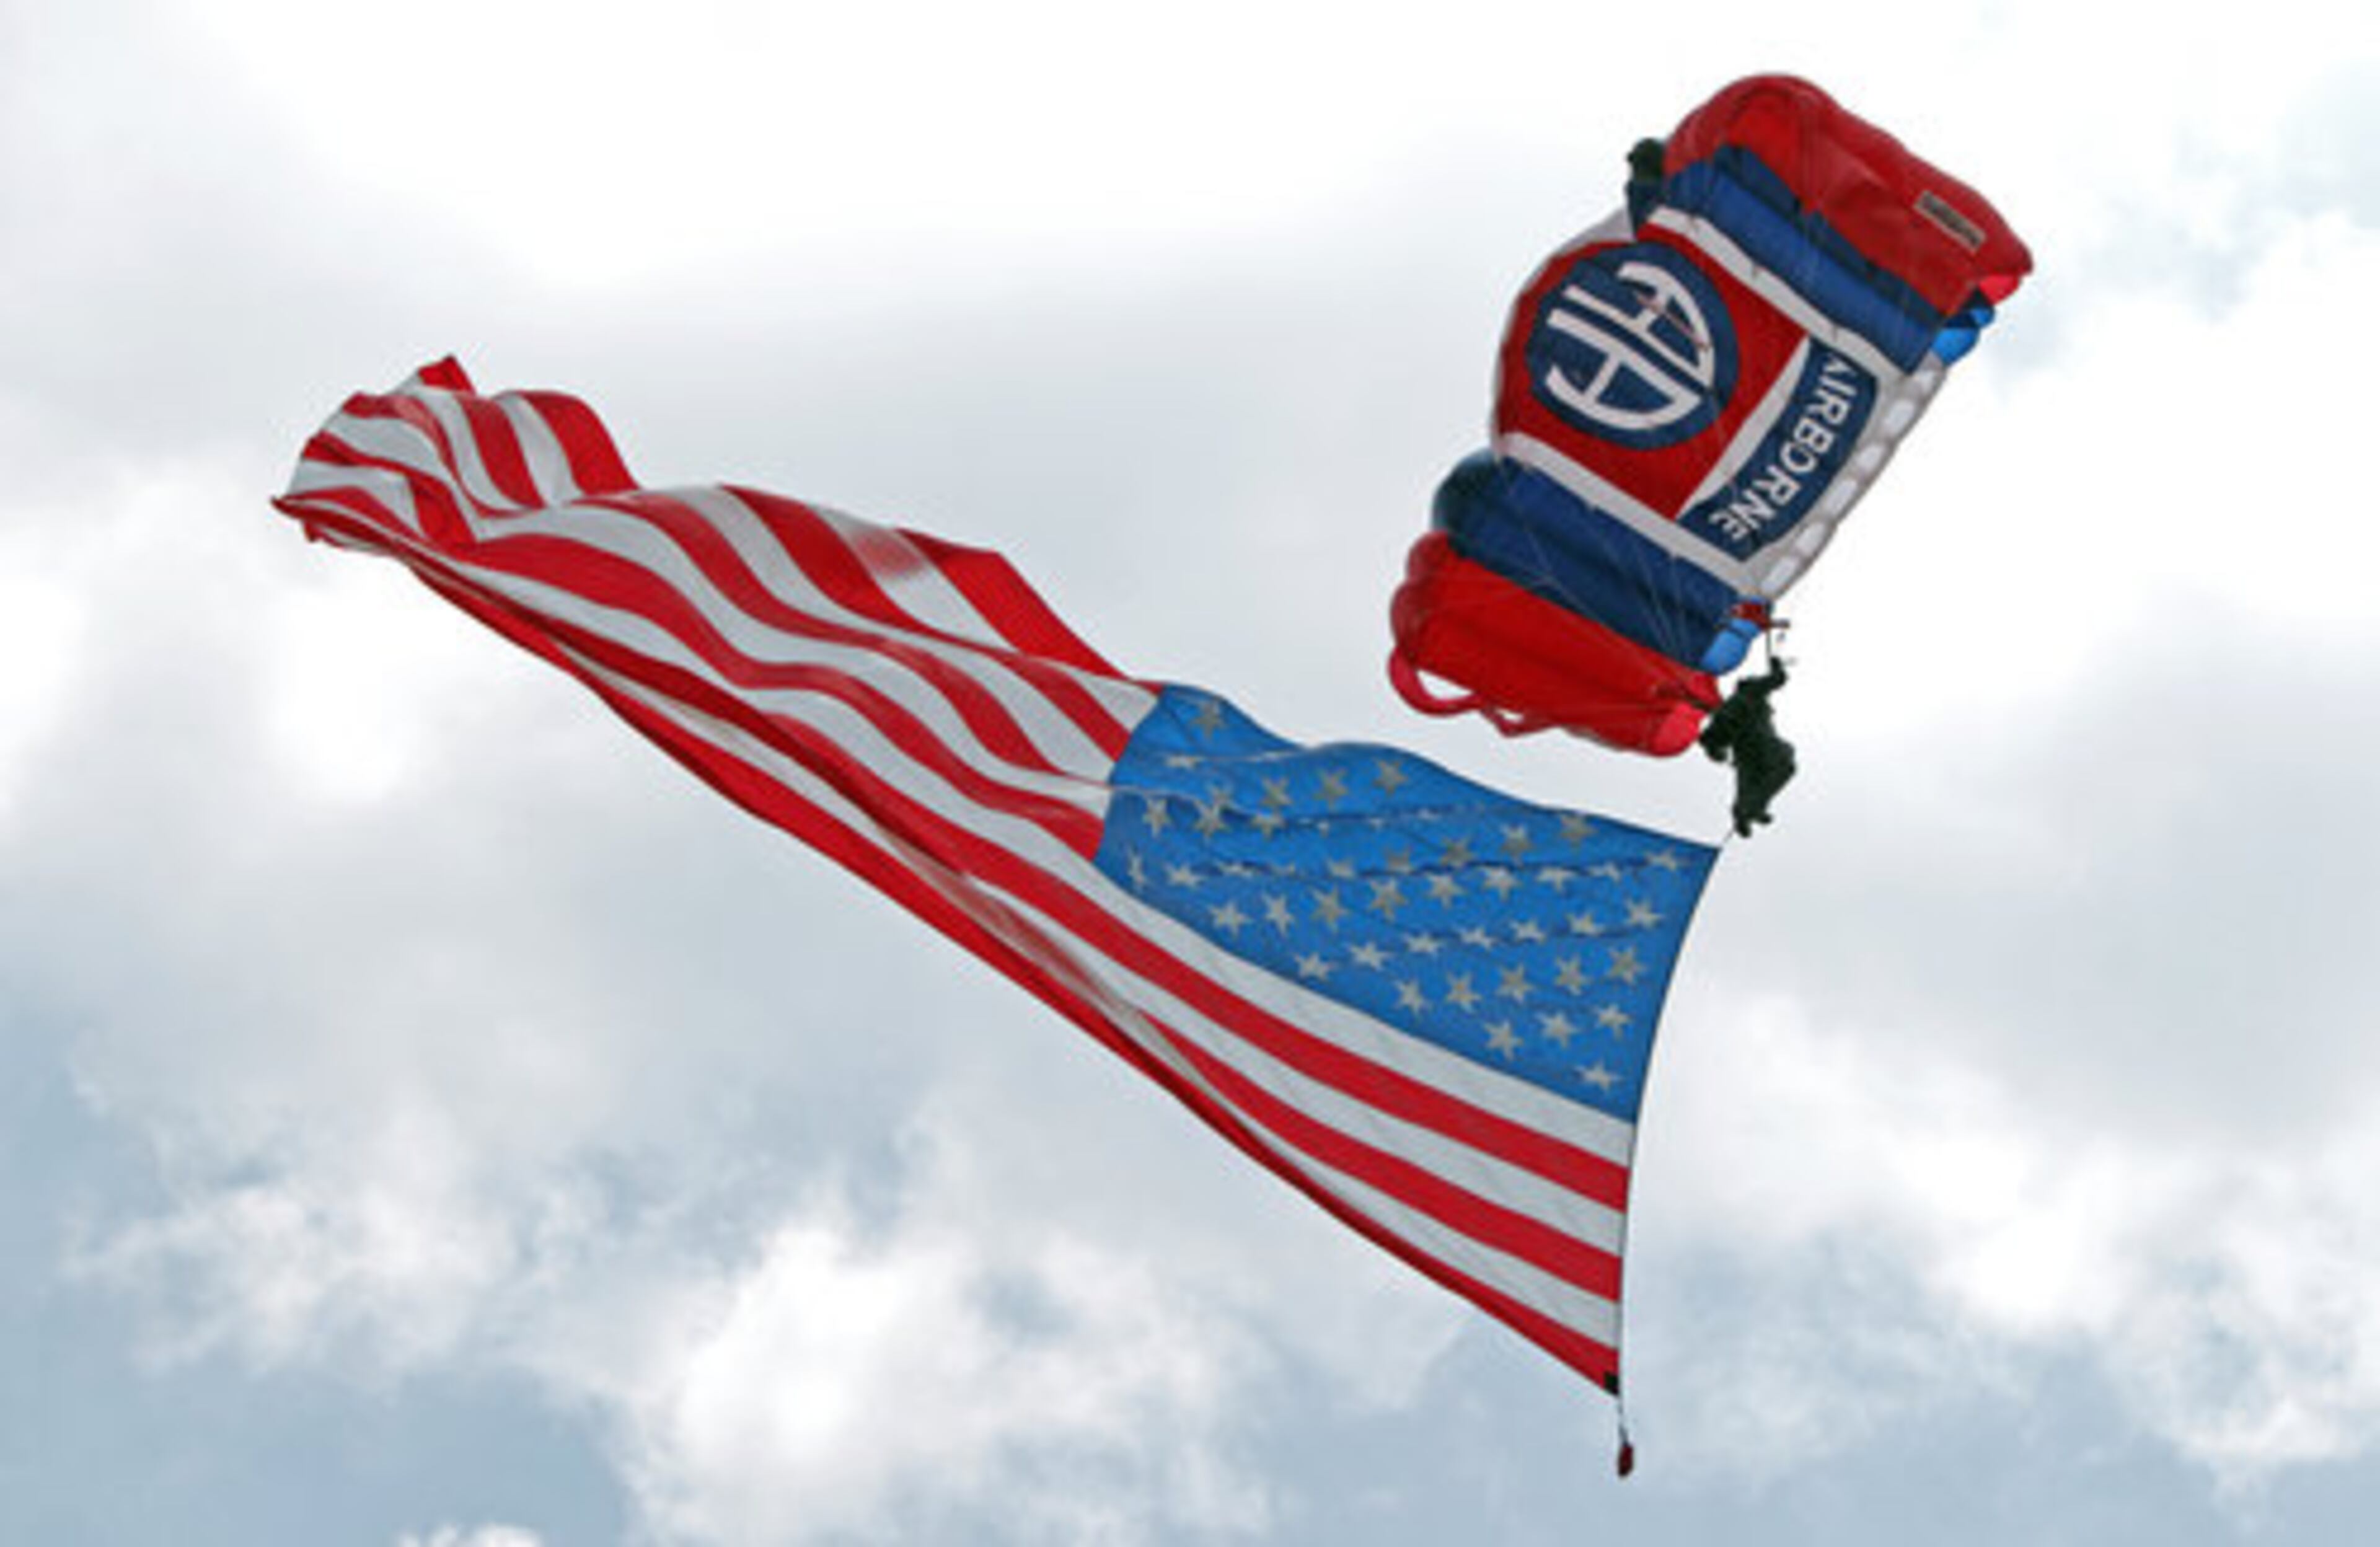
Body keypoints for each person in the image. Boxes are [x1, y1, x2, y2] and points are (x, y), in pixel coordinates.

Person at [1699, 658, 1795, 837]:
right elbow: (1777, 680)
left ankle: (1745, 812)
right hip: (1760, 743)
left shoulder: (1729, 706)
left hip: (1744, 752)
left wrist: (1715, 750)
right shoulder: (1751, 693)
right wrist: (1777, 667)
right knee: (1784, 765)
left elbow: (1713, 735)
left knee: (1749, 782)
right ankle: (1750, 808)